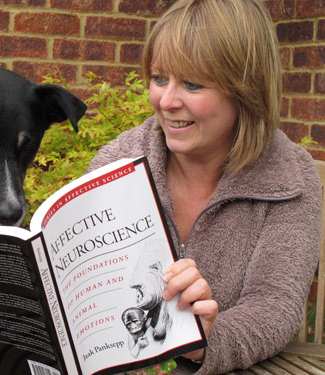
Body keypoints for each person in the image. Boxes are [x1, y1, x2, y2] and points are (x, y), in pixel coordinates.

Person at [86, 0, 322, 373]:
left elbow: (275, 304)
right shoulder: (115, 162)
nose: (166, 101)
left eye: (193, 84)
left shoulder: (290, 177)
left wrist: (206, 340)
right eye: (160, 78)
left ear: (246, 91)